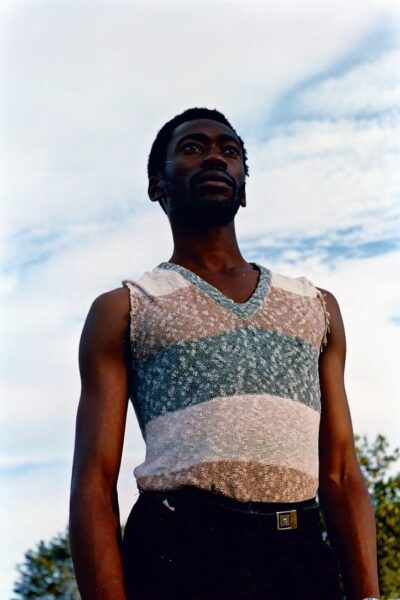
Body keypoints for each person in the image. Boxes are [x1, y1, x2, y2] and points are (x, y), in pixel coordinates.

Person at [69, 108, 380, 600]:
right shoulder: (125, 308)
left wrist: (368, 595)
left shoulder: (315, 306)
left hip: (298, 553)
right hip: (180, 549)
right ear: (157, 185)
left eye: (230, 151)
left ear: (243, 186)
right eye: (193, 148)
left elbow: (340, 469)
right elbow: (92, 483)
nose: (215, 156)